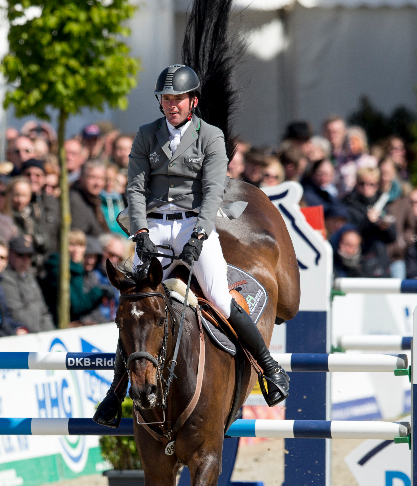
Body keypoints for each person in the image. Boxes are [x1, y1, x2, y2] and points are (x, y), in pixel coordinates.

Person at [94, 63, 289, 427]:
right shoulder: (146, 134)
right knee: (138, 304)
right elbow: (135, 187)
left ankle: (269, 367)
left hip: (193, 223)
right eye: (167, 99)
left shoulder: (210, 136)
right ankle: (115, 392)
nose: (172, 105)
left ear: (192, 101)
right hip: (154, 226)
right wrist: (141, 234)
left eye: (178, 99)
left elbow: (213, 191)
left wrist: (199, 236)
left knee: (218, 297)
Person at [41, 229, 112, 324]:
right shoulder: (57, 269)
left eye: (80, 245)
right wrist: (99, 291)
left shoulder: (78, 269)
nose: (76, 250)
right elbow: (77, 306)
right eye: (72, 245)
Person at [0, 235, 55, 333]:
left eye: (29, 256)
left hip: (41, 333)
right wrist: (38, 332)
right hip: (27, 334)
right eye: (20, 255)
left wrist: (49, 333)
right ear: (10, 253)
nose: (25, 259)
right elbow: (16, 313)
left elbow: (43, 310)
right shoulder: (5, 278)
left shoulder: (30, 277)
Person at [69, 160, 110, 239]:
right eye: (93, 177)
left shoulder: (94, 200)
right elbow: (79, 238)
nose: (97, 183)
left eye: (101, 178)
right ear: (81, 177)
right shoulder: (75, 200)